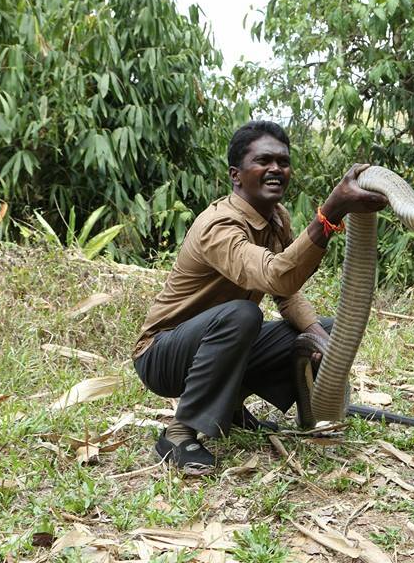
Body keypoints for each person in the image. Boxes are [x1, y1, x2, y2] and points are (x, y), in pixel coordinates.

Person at [132, 120, 388, 474]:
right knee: (241, 315)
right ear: (237, 175)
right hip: (162, 355)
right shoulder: (219, 225)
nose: (276, 169)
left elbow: (288, 294)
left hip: (217, 344)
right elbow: (275, 276)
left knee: (320, 329)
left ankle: (235, 409)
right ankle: (178, 434)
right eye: (263, 161)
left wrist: (317, 335)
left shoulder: (276, 218)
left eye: (283, 162)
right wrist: (330, 213)